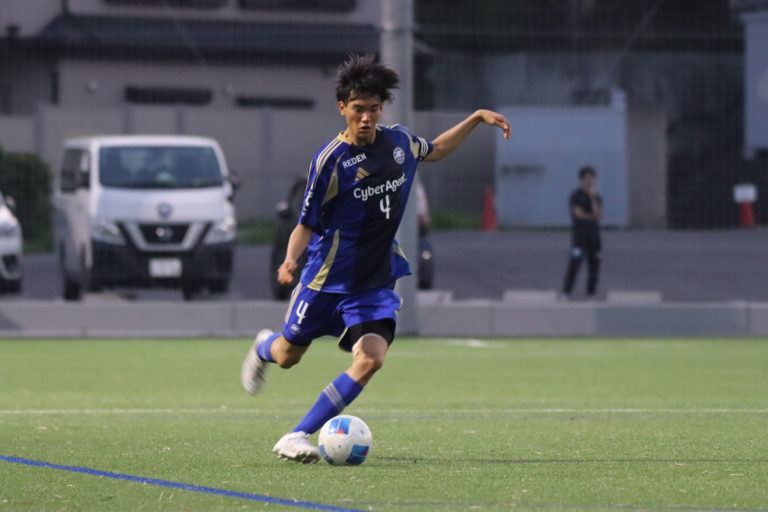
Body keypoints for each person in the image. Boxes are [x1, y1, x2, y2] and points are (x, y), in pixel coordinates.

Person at [240, 53, 510, 463]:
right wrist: (290, 260)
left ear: (381, 108)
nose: (366, 118)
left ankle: (296, 435)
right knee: (288, 356)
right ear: (342, 108)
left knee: (370, 359)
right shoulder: (330, 161)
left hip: (374, 280)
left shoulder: (399, 143)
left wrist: (475, 118)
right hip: (325, 279)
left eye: (373, 108)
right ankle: (264, 346)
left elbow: (436, 149)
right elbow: (306, 223)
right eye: (357, 109)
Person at [561, 166, 602, 298]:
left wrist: (592, 198)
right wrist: (591, 216)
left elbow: (598, 215)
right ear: (581, 180)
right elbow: (578, 214)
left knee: (594, 266)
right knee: (574, 264)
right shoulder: (576, 195)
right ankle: (566, 292)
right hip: (579, 238)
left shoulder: (596, 197)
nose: (589, 181)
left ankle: (591, 293)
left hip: (594, 238)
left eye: (591, 178)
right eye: (586, 178)